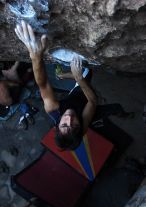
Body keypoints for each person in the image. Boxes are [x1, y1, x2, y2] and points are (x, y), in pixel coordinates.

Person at [15, 21, 134, 150]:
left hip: (76, 94)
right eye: (74, 125)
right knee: (115, 106)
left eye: (64, 125)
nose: (69, 119)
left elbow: (43, 84)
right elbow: (93, 101)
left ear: (57, 124)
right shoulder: (83, 125)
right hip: (88, 105)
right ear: (80, 127)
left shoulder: (53, 109)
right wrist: (79, 78)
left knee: (84, 74)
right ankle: (123, 115)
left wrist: (36, 58)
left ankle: (64, 76)